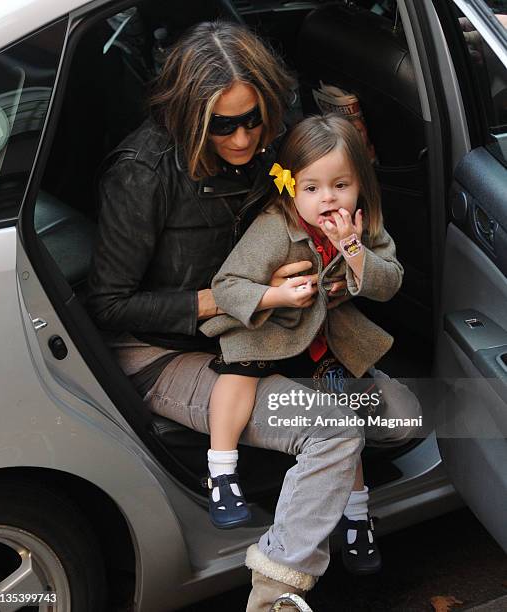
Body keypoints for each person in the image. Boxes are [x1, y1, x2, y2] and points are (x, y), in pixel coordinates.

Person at [87, 20, 421, 612]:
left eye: (254, 119)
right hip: (167, 347)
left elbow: (325, 201)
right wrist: (241, 296)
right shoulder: (142, 172)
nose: (242, 139)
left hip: (279, 333)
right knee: (335, 425)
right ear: (189, 115)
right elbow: (108, 305)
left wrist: (331, 279)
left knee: (404, 420)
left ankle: (339, 495)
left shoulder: (275, 146)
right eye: (222, 125)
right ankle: (275, 589)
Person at [200, 114, 419, 576]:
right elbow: (226, 285)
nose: (328, 199)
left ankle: (357, 517)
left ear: (361, 184)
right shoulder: (275, 228)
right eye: (313, 188)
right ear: (290, 187)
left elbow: (390, 282)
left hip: (322, 342)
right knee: (240, 370)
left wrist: (353, 250)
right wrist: (277, 295)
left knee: (348, 417)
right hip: (269, 330)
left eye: (341, 185)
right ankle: (221, 471)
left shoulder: (362, 226)